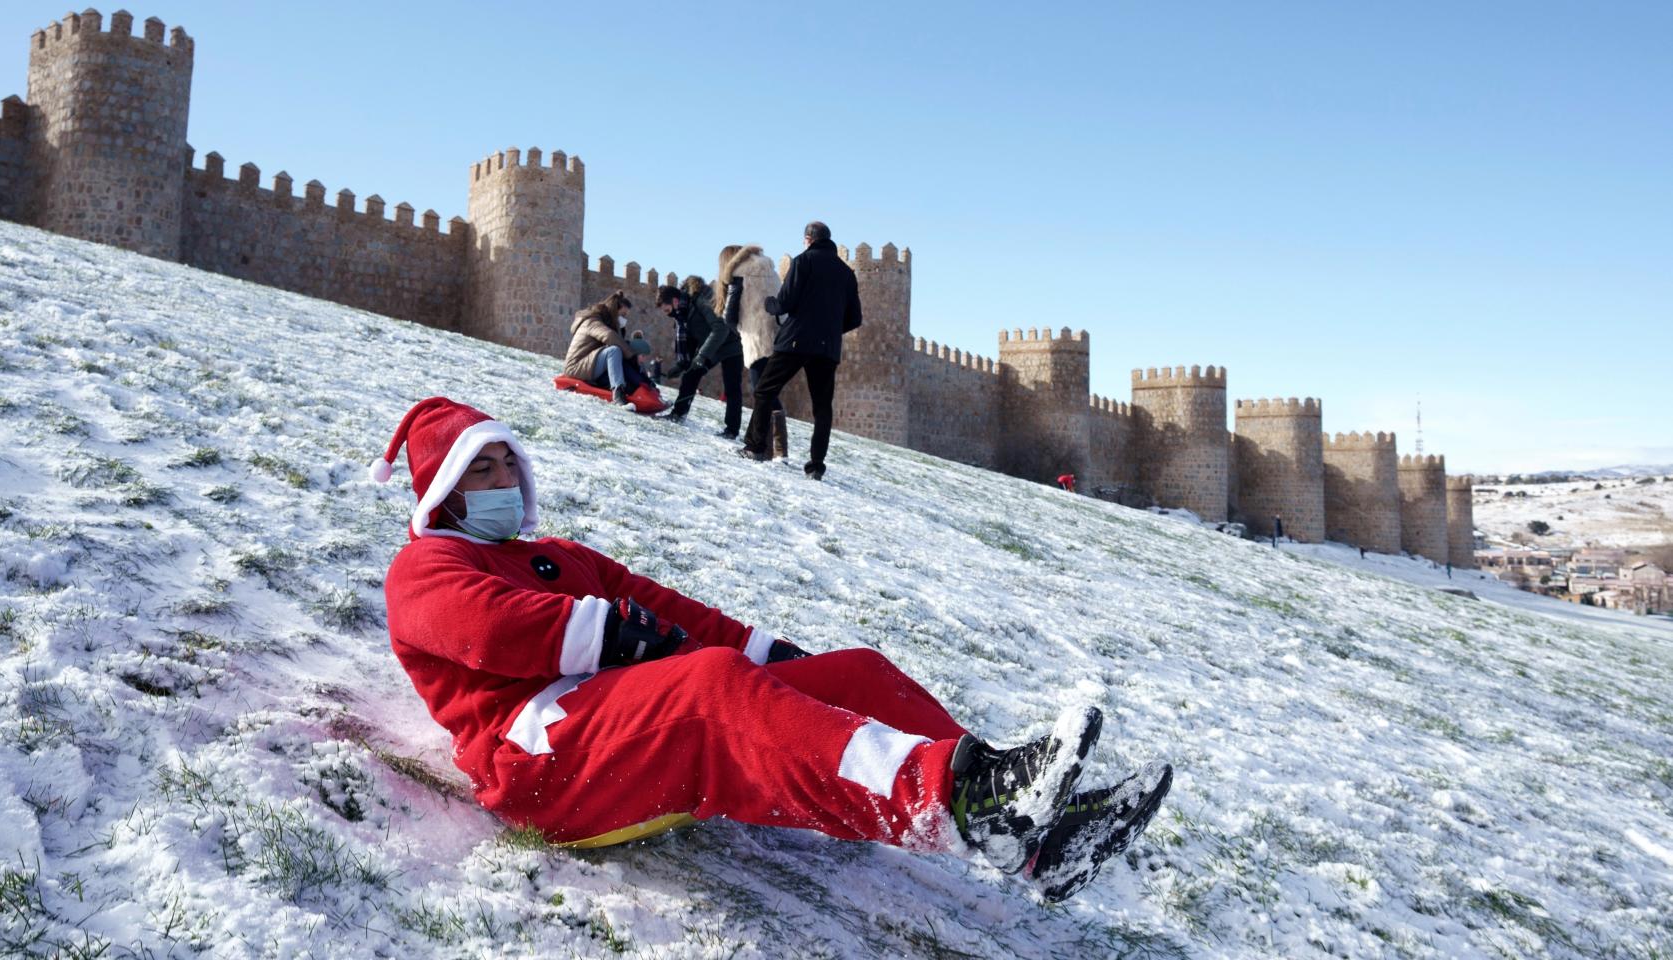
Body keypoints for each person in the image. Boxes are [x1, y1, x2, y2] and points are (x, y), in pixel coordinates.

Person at [372, 398, 1164, 898]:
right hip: (541, 768)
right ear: (443, 488)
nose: (504, 474)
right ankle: (947, 799)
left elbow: (662, 606)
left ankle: (1030, 838)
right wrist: (613, 639)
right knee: (710, 686)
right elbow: (487, 627)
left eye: (510, 458)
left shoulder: (563, 554)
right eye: (482, 466)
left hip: (613, 734)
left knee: (852, 672)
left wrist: (774, 656)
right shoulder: (428, 565)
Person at [740, 220, 861, 480]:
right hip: (827, 347)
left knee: (765, 389)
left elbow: (786, 302)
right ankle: (816, 466)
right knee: (822, 408)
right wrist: (828, 330)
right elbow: (855, 318)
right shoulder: (846, 273)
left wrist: (771, 304)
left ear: (808, 239)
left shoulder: (802, 261)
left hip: (795, 340)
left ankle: (755, 446)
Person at [719, 244, 788, 458]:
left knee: (763, 393)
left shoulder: (738, 276)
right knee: (767, 392)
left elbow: (729, 317)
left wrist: (741, 328)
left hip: (757, 341)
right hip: (779, 338)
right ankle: (769, 448)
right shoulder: (772, 272)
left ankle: (771, 449)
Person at [655, 275, 744, 437]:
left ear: (675, 301)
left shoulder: (701, 301)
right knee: (690, 375)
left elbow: (721, 328)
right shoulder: (682, 314)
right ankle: (678, 414)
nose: (668, 315)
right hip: (712, 347)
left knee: (732, 388)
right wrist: (682, 365)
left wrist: (702, 356)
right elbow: (689, 342)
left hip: (730, 345)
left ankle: (731, 430)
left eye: (667, 310)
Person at [562, 291, 648, 407]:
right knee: (614, 351)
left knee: (621, 351)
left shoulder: (604, 322)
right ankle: (618, 394)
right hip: (576, 367)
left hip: (588, 364)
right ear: (614, 310)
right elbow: (609, 336)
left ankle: (642, 386)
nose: (624, 319)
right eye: (622, 315)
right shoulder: (592, 321)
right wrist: (630, 355)